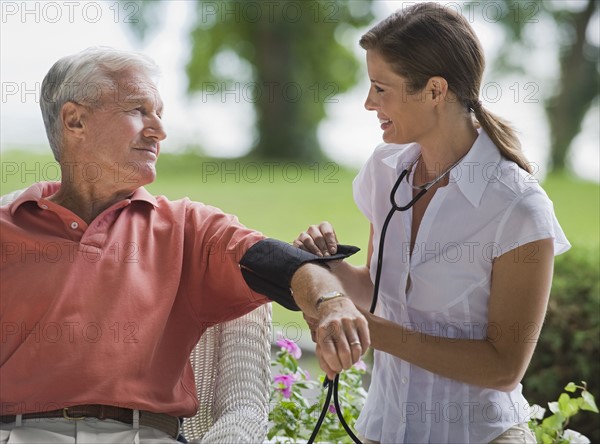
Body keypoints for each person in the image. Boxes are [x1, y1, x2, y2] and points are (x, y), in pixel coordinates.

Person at [0, 47, 369, 444]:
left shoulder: (187, 226)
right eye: (138, 110)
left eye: (159, 114)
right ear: (75, 120)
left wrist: (332, 302)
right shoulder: (7, 228)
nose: (158, 130)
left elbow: (276, 262)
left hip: (144, 436)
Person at [294, 3, 570, 443]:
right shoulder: (384, 171)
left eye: (381, 89)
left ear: (436, 90)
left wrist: (373, 332)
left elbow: (503, 367)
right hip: (384, 430)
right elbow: (382, 290)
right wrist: (332, 270)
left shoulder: (518, 207)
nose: (368, 103)